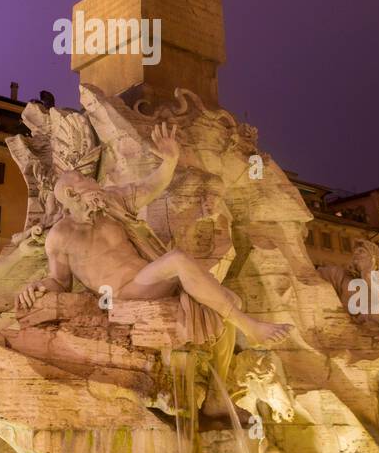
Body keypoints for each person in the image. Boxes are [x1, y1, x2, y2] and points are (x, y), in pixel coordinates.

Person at [16, 122, 291, 349]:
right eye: (86, 182)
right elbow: (58, 281)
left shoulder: (111, 203)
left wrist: (170, 160)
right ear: (72, 195)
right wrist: (35, 287)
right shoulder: (60, 236)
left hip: (150, 278)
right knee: (179, 260)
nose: (94, 184)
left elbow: (151, 186)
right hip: (123, 293)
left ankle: (216, 402)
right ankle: (250, 327)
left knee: (230, 300)